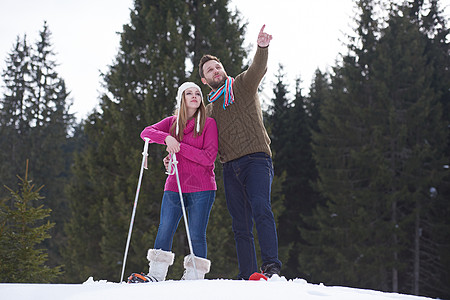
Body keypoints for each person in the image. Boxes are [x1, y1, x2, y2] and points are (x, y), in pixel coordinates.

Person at [198, 24, 282, 280]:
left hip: (256, 159)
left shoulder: (242, 86)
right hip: (230, 168)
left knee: (261, 208)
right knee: (240, 225)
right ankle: (248, 274)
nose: (216, 71)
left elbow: (258, 68)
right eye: (210, 70)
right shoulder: (209, 110)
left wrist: (262, 47)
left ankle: (272, 267)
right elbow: (197, 137)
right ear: (205, 80)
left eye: (218, 66)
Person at [129, 82, 218, 283]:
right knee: (165, 227)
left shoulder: (208, 124)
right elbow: (146, 132)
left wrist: (179, 147)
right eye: (189, 93)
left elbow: (209, 157)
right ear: (182, 98)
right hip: (174, 185)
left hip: (202, 187)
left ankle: (194, 277)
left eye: (198, 93)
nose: (195, 96)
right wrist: (168, 138)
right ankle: (156, 275)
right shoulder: (172, 122)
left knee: (196, 233)